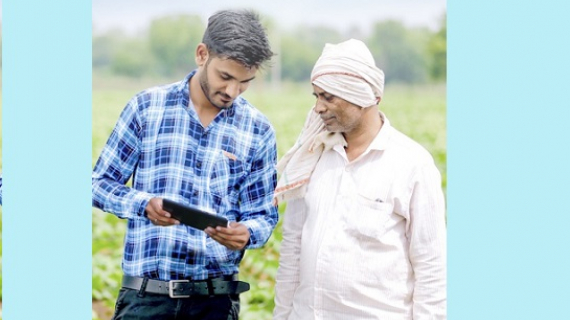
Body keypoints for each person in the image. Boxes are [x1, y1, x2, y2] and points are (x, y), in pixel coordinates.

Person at [92, 9, 278, 320]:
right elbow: (98, 183)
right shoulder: (146, 108)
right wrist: (143, 204)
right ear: (202, 54)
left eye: (245, 82)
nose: (232, 91)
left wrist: (247, 233)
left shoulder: (258, 129)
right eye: (226, 77)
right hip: (146, 299)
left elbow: (263, 215)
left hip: (216, 302)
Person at [273, 39, 447, 320]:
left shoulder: (412, 164)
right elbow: (292, 248)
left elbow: (431, 266)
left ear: (365, 97)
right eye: (316, 96)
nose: (318, 107)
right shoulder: (313, 155)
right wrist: (282, 315)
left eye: (328, 97)